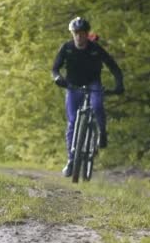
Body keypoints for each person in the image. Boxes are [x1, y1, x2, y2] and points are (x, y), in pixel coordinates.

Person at [51, 17, 125, 177]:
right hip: (73, 86)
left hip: (93, 84)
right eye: (76, 33)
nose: (79, 37)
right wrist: (58, 78)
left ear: (87, 34)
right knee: (71, 122)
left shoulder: (95, 49)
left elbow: (113, 67)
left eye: (82, 33)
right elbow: (55, 68)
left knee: (97, 106)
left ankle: (102, 132)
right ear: (72, 34)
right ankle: (71, 161)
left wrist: (119, 84)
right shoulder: (67, 48)